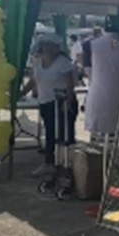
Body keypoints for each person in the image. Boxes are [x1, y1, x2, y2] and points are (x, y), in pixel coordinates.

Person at [21, 35, 78, 178]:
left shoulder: (63, 62)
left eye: (52, 46)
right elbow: (33, 81)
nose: (49, 48)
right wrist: (20, 94)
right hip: (45, 101)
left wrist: (68, 102)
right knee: (50, 133)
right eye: (46, 45)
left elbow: (70, 84)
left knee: (64, 135)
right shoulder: (37, 61)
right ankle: (50, 163)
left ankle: (66, 165)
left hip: (60, 102)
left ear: (58, 48)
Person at [84, 27, 119, 138]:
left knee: (99, 123)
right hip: (117, 89)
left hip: (98, 89)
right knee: (113, 123)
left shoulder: (93, 44)